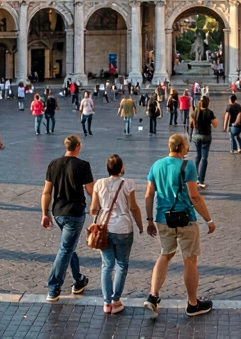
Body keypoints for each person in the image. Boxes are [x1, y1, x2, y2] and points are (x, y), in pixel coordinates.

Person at [143, 133, 216, 318]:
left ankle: (153, 295)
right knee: (190, 259)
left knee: (165, 254)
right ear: (182, 148)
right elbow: (194, 196)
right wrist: (208, 219)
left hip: (163, 218)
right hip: (185, 219)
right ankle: (193, 304)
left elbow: (149, 194)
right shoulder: (188, 165)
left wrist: (150, 220)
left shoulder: (156, 165)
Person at [41, 134, 95, 302]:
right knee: (65, 249)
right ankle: (53, 287)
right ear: (78, 146)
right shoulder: (83, 165)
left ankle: (79, 280)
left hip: (58, 212)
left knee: (68, 245)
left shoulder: (53, 164)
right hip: (75, 212)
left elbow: (47, 192)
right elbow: (90, 190)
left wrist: (45, 213)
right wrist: (98, 207)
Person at [89, 154, 145, 314]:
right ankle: (116, 300)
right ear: (121, 168)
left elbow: (93, 209)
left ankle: (107, 303)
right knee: (121, 264)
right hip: (123, 227)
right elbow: (134, 207)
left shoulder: (99, 184)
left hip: (104, 228)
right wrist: (140, 225)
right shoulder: (128, 184)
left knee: (106, 265)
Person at [192, 96, 217, 189]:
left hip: (196, 135)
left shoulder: (195, 112)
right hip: (206, 136)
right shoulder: (209, 113)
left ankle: (194, 178)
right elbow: (215, 124)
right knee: (204, 158)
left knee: (197, 155)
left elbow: (192, 125)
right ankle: (201, 180)